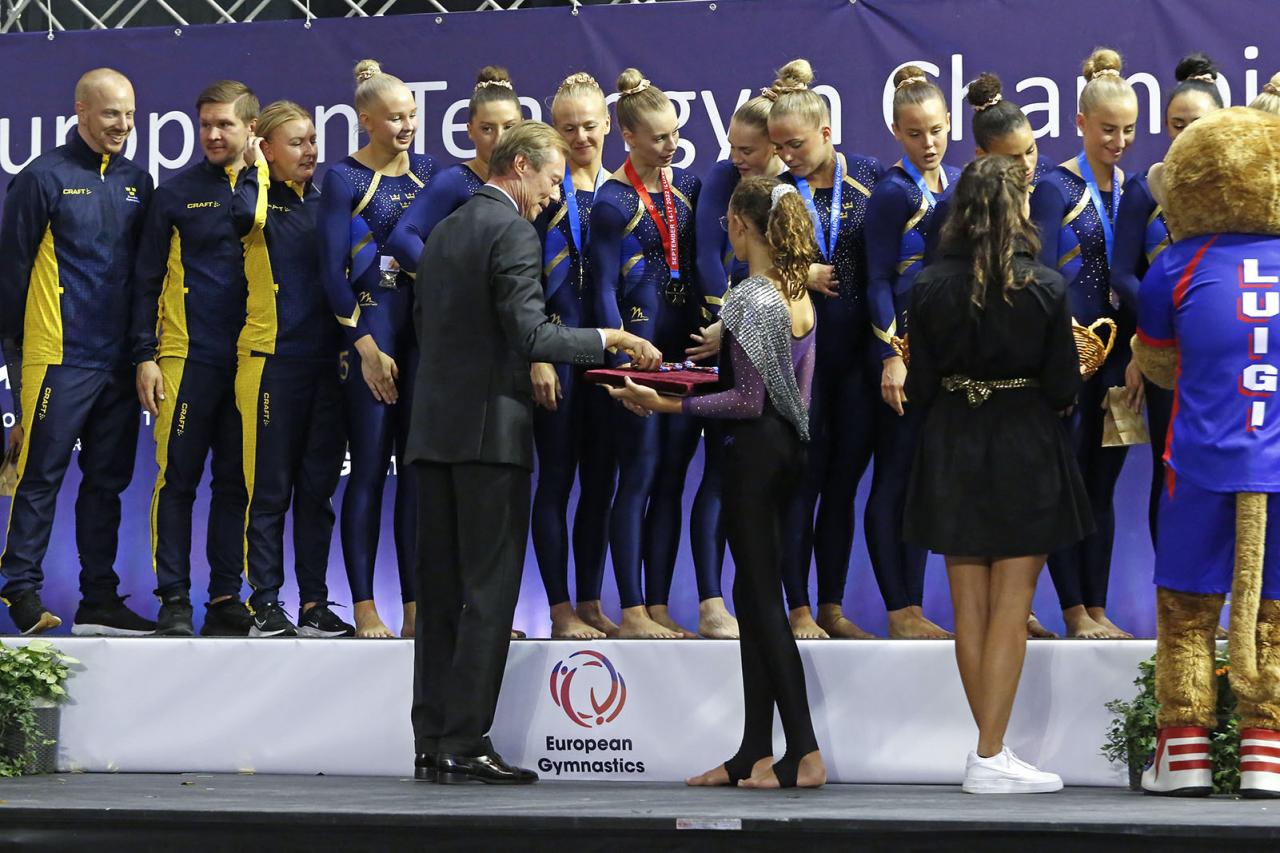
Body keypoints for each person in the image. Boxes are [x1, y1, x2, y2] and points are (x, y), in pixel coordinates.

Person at [407, 122, 660, 785]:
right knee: (488, 592)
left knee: (438, 595)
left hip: (432, 437)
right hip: (491, 437)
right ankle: (466, 740)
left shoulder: (442, 232)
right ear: (520, 165)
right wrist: (609, 337)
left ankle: (433, 740)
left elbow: (428, 332)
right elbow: (528, 331)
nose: (554, 194)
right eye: (551, 179)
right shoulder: (512, 231)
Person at [609, 176, 825, 789]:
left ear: (740, 226)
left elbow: (748, 400)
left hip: (754, 454)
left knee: (761, 604)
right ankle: (753, 751)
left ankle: (804, 752)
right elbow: (784, 394)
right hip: (785, 453)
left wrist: (664, 403)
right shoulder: (793, 294)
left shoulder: (750, 298)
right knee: (755, 601)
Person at [905, 155, 1090, 794]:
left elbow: (922, 386)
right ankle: (989, 755)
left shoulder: (925, 287)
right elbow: (1065, 384)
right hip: (1024, 444)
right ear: (1019, 213)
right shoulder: (1045, 287)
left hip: (953, 439)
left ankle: (988, 753)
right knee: (1011, 610)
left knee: (971, 610)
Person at [0, 68, 156, 636]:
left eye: (131, 114)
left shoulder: (140, 181)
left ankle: (98, 600)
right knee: (40, 475)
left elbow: (146, 277)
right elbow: (11, 279)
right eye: (111, 113)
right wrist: (16, 364)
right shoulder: (41, 178)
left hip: (118, 364)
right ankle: (19, 588)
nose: (123, 125)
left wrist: (143, 352)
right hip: (57, 356)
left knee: (106, 483)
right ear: (81, 111)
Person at [131, 80, 259, 638]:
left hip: (252, 361)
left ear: (251, 128)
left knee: (237, 483)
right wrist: (145, 354)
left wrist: (258, 174)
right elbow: (146, 279)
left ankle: (228, 595)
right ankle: (175, 598)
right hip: (187, 359)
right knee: (176, 481)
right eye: (205, 123)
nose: (211, 134)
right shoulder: (176, 192)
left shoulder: (272, 189)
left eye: (224, 124)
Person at [318, 59, 436, 639]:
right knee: (367, 470)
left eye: (412, 115)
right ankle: (364, 604)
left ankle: (417, 607)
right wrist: (363, 344)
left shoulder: (430, 175)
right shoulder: (342, 179)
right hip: (369, 331)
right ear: (366, 120)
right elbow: (332, 272)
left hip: (419, 337)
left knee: (417, 475)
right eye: (394, 118)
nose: (406, 126)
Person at [766, 59, 882, 640]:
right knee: (802, 483)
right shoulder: (770, 191)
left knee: (842, 485)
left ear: (827, 132)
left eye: (797, 144)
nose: (788, 155)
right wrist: (796, 269)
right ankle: (798, 607)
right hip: (799, 360)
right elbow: (745, 264)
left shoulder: (868, 177)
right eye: (779, 146)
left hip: (857, 362)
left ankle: (832, 605)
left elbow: (890, 260)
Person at [231, 102, 352, 639]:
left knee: (317, 492)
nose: (311, 151)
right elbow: (241, 220)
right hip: (269, 362)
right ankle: (263, 603)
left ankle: (314, 604)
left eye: (313, 140)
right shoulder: (253, 200)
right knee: (269, 490)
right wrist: (254, 168)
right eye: (298, 142)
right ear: (267, 149)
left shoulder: (327, 203)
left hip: (326, 367)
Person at [589, 69, 703, 639]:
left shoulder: (686, 192)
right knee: (636, 474)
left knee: (672, 480)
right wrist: (620, 350)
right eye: (658, 137)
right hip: (638, 352)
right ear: (629, 137)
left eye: (674, 134)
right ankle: (630, 607)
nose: (670, 145)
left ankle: (658, 603)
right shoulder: (611, 201)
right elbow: (602, 286)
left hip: (683, 352)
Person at [1030, 48, 1139, 640]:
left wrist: (1136, 357)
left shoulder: (1133, 187)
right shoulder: (1053, 185)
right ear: (1080, 123)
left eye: (1127, 129)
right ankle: (1072, 608)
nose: (1119, 140)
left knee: (1102, 487)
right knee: (1063, 484)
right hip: (1070, 356)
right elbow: (1043, 279)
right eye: (1107, 129)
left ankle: (1097, 608)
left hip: (1121, 362)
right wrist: (1059, 362)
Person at [864, 66, 960, 640]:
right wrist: (890, 355)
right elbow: (877, 279)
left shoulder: (946, 187)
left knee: (922, 481)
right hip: (897, 358)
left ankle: (915, 607)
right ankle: (898, 608)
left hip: (937, 357)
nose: (928, 144)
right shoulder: (892, 193)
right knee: (894, 478)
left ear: (950, 126)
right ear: (896, 133)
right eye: (916, 133)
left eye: (937, 131)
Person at [1113, 53, 1223, 545]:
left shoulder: (1236, 190)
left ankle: (1225, 602)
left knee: (1226, 478)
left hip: (1225, 355)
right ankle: (1174, 606)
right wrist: (1161, 326)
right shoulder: (1143, 189)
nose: (1185, 136)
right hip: (1169, 355)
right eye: (1176, 126)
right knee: (1171, 472)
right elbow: (1122, 274)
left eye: (1195, 125)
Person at [531, 72, 618, 640]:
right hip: (557, 354)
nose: (581, 136)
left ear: (608, 124)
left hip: (609, 356)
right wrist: (535, 355)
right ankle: (558, 609)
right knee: (557, 480)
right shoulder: (544, 192)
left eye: (590, 125)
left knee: (602, 483)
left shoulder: (621, 191)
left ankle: (590, 601)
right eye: (568, 127)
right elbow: (521, 279)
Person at [387, 66, 522, 275]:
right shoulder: (454, 181)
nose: (499, 139)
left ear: (523, 126)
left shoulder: (531, 179)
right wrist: (448, 282)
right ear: (469, 131)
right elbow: (403, 236)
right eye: (487, 128)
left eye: (509, 127)